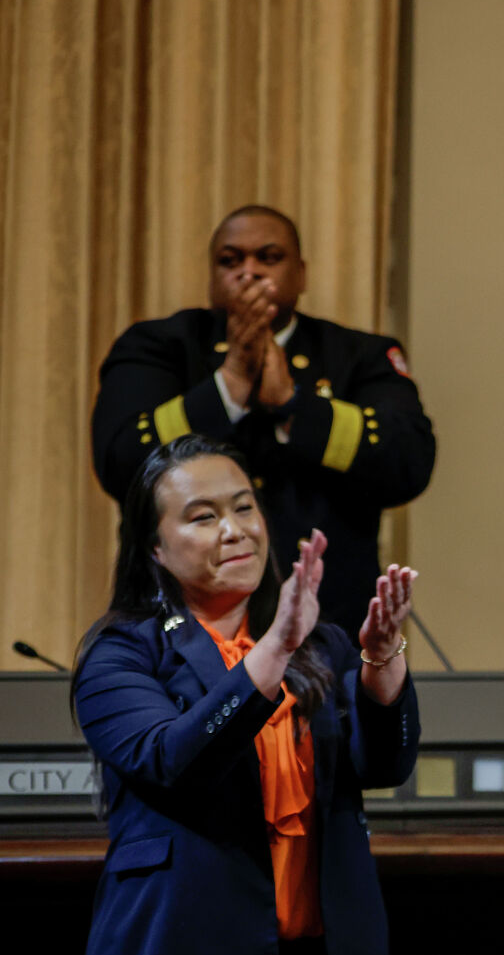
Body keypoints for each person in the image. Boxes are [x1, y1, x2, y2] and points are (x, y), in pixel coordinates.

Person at [70, 434, 420, 955]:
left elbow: (384, 765)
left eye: (244, 507)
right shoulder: (123, 653)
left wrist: (380, 664)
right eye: (201, 515)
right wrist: (269, 654)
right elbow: (171, 758)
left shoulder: (321, 646)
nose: (234, 529)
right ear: (154, 548)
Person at [90, 205, 436, 639]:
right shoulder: (158, 346)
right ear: (211, 275)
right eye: (230, 261)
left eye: (268, 258)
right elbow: (120, 462)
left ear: (302, 274)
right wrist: (230, 384)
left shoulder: (359, 355)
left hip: (327, 628)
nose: (248, 272)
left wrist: (293, 403)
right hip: (176, 628)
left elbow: (409, 462)